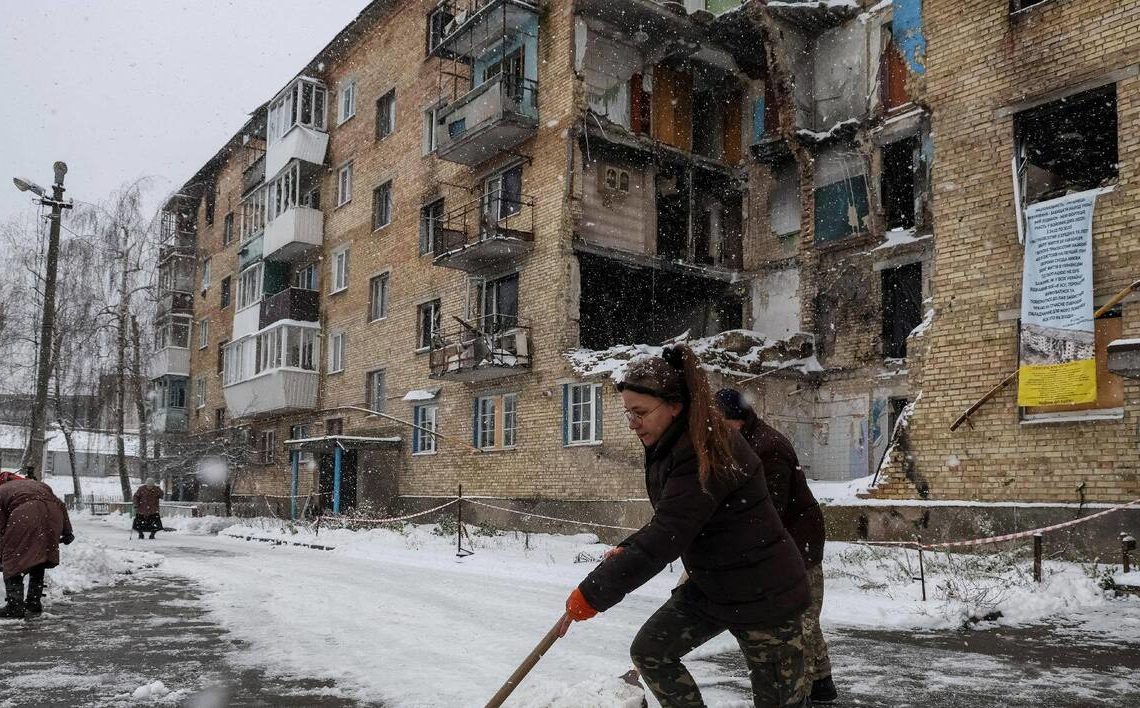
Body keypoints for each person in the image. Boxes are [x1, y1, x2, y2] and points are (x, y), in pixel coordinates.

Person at [564, 345, 810, 707]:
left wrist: (593, 593)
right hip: (715, 585)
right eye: (628, 413)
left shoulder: (705, 449)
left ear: (675, 405)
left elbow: (668, 535)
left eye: (640, 412)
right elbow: (673, 517)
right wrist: (631, 547)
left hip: (764, 594)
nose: (633, 423)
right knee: (652, 651)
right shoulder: (674, 441)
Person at [715, 388, 836, 704]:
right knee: (805, 618)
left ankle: (804, 692)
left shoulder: (768, 448)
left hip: (798, 543)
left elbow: (769, 510)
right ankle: (823, 683)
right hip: (785, 540)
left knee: (799, 623)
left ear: (737, 420)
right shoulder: (746, 441)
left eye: (721, 425)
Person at [0, 473, 74, 619]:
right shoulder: (37, 484)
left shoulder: (2, 491)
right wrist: (67, 531)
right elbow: (59, 504)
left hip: (25, 515)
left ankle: (14, 606)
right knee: (39, 557)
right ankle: (34, 602)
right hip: (53, 516)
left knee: (12, 559)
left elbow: (1, 527)